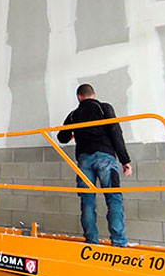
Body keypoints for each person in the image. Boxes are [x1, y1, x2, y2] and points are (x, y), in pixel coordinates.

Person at [57, 84, 132, 247]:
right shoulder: (104, 108)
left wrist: (71, 134)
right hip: (105, 157)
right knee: (113, 198)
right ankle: (118, 242)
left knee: (87, 200)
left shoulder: (73, 115)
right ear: (93, 94)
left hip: (84, 160)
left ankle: (91, 241)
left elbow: (61, 137)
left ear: (79, 97)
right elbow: (115, 132)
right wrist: (125, 160)